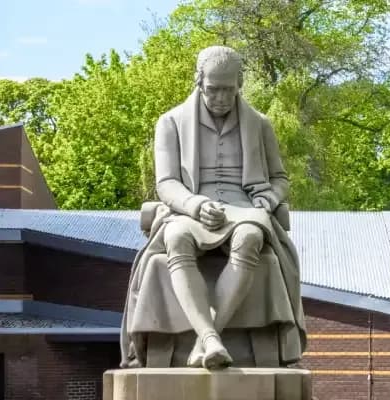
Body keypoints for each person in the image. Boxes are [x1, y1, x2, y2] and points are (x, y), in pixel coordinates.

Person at [120, 46, 305, 369]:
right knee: (176, 239)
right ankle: (210, 340)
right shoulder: (170, 123)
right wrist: (194, 205)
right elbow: (166, 183)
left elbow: (279, 179)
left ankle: (207, 339)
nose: (221, 97)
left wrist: (270, 199)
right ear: (199, 82)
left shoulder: (260, 125)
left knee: (250, 237)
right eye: (213, 89)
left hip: (244, 208)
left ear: (239, 84)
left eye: (228, 90)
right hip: (190, 209)